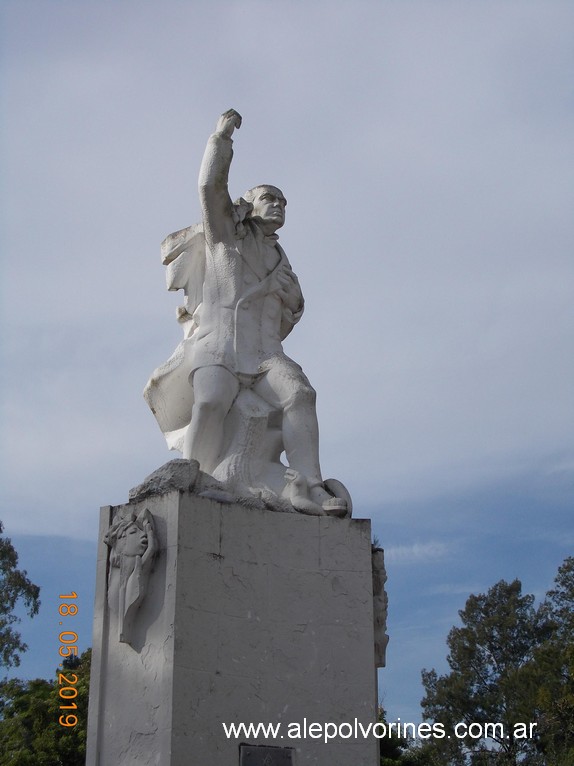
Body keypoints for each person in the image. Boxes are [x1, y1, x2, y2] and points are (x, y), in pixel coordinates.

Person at [145, 109, 346, 515]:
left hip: (265, 353)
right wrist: (221, 139)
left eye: (284, 202)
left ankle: (309, 484)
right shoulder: (225, 236)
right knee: (212, 401)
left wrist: (294, 302)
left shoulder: (281, 260)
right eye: (269, 198)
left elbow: (289, 314)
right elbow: (209, 186)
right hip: (219, 345)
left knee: (301, 394)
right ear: (248, 205)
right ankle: (194, 478)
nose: (279, 205)